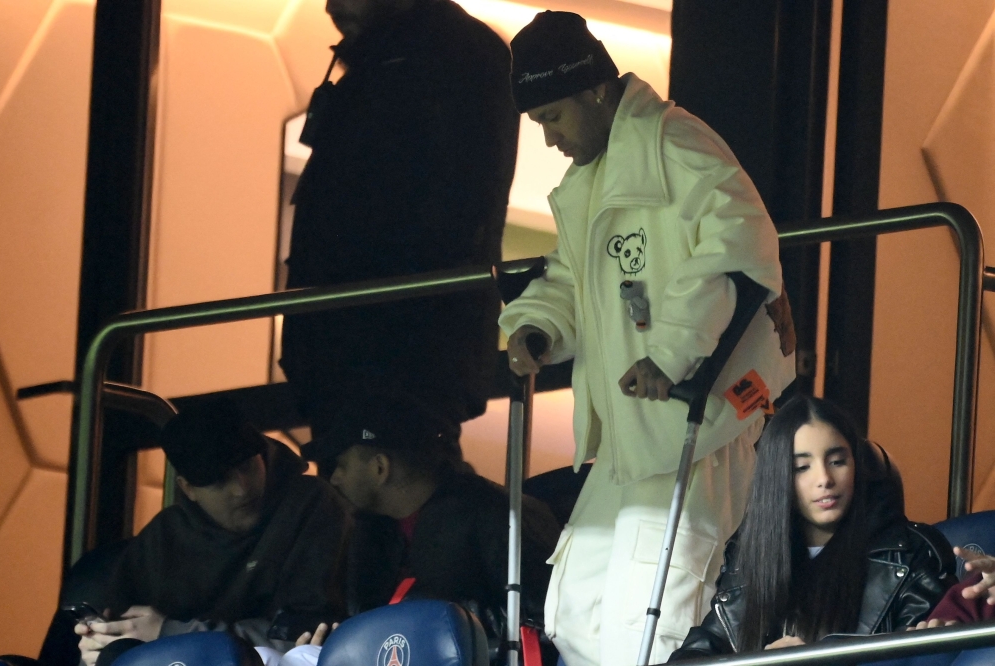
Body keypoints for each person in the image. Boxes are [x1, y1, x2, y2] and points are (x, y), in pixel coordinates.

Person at [500, 11, 797, 665]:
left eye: (552, 117)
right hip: (635, 435)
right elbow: (572, 278)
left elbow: (739, 246)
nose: (549, 139)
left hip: (703, 420)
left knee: (650, 617)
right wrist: (537, 326)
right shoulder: (591, 179)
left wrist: (669, 354)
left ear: (594, 89)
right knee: (576, 611)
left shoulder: (677, 143)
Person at [280, 0, 520, 454]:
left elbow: (445, 208)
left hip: (393, 347)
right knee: (369, 473)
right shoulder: (409, 58)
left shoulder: (449, 59)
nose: (331, 6)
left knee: (391, 471)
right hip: (364, 344)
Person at [278, 395, 561, 666]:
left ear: (380, 468)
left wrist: (444, 623)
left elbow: (550, 619)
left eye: (341, 465)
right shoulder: (370, 532)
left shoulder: (497, 515)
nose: (335, 478)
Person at [668, 396, 956, 660]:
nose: (824, 479)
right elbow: (701, 651)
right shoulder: (748, 556)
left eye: (837, 461)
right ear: (777, 478)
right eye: (802, 467)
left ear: (857, 465)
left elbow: (921, 657)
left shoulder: (909, 554)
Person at [74, 401, 348, 666]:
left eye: (247, 466)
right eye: (219, 481)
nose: (240, 489)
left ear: (262, 454)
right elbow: (119, 627)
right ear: (188, 489)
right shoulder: (162, 538)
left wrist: (168, 633)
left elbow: (309, 634)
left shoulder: (312, 506)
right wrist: (104, 646)